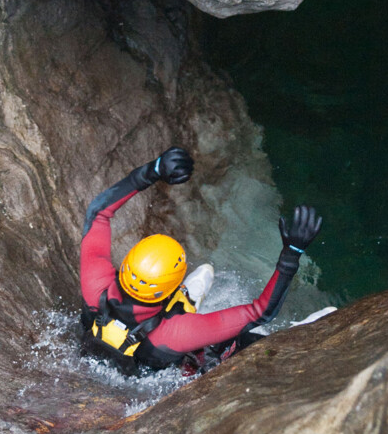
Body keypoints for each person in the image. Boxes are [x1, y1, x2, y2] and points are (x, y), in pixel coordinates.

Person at [78, 146, 322, 372]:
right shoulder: (178, 333)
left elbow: (97, 213)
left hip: (111, 356)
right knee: (241, 342)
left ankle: (182, 304)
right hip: (168, 362)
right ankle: (295, 333)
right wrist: (292, 253)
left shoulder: (95, 287)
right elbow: (260, 312)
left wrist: (153, 170)